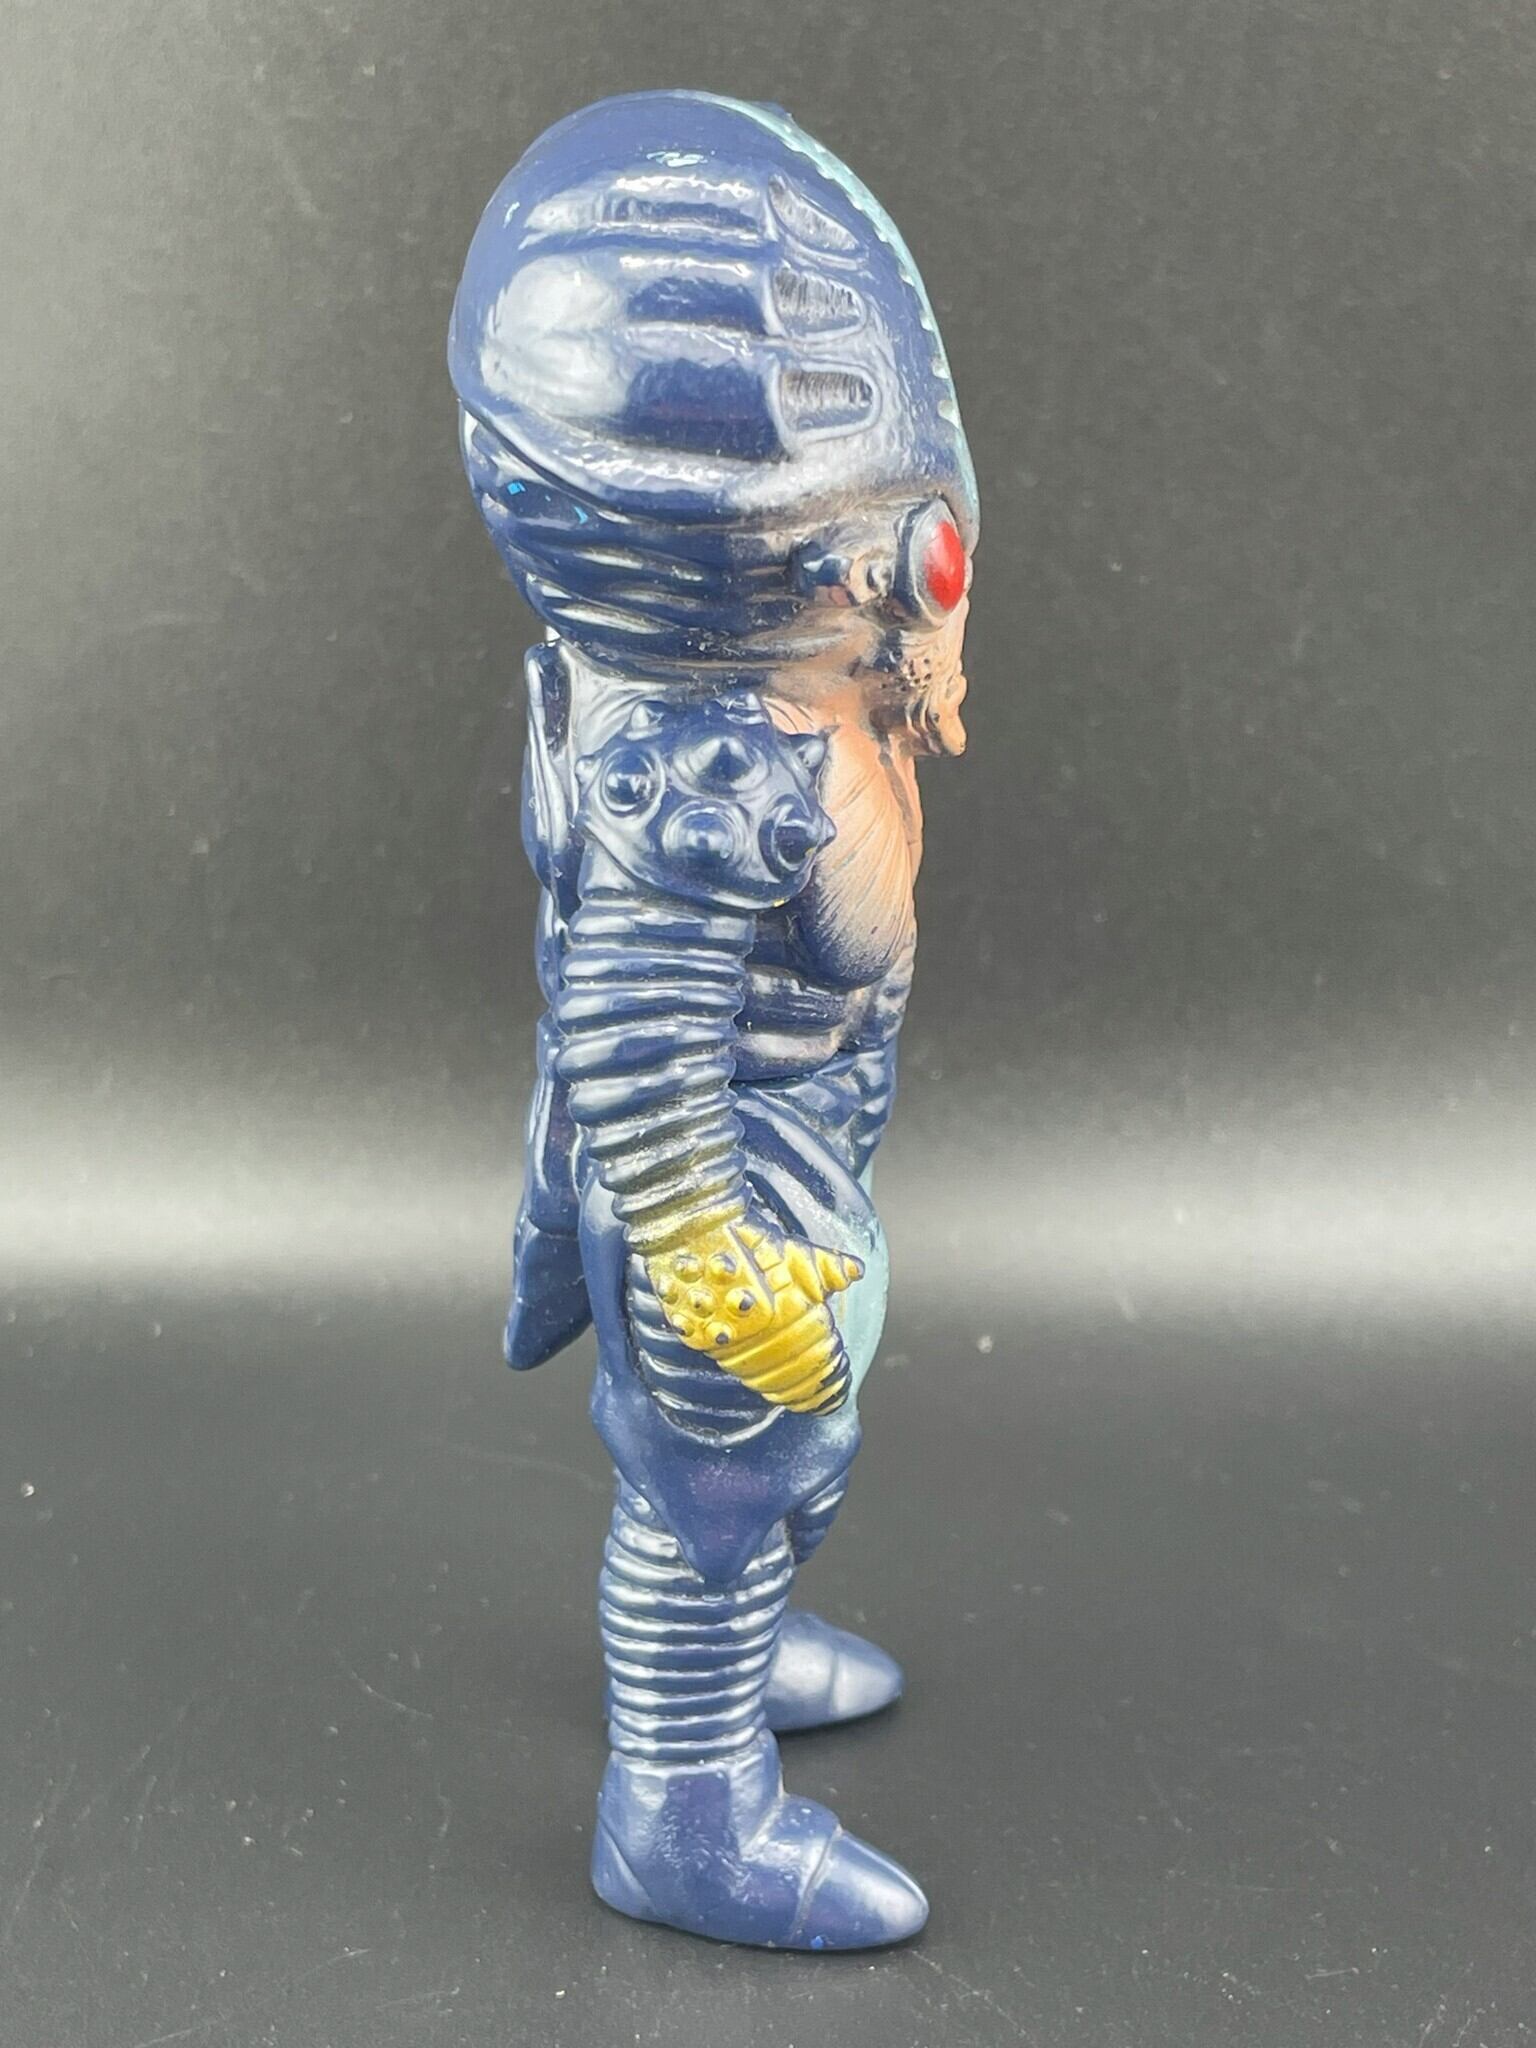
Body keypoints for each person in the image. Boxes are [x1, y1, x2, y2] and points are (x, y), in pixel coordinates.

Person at [449, 89, 978, 1950]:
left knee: (761, 1471)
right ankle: (679, 1806)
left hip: (793, 1157)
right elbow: (637, 1044)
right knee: (721, 1472)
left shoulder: (753, 704)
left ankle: (736, 1631)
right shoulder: (703, 761)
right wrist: (705, 1250)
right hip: (727, 1193)